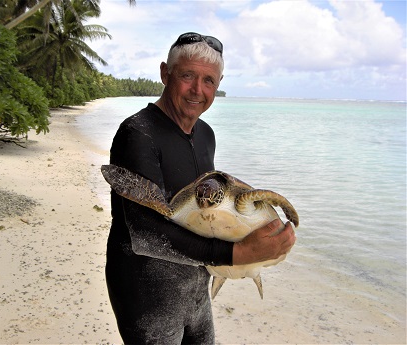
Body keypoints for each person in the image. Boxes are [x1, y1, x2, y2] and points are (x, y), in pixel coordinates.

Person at [105, 32, 296, 344]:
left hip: (196, 286)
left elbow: (206, 211)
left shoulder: (206, 133)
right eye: (187, 76)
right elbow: (145, 233)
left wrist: (261, 241)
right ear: (165, 73)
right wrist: (237, 253)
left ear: (218, 84)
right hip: (145, 291)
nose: (198, 90)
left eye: (209, 80)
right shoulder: (138, 132)